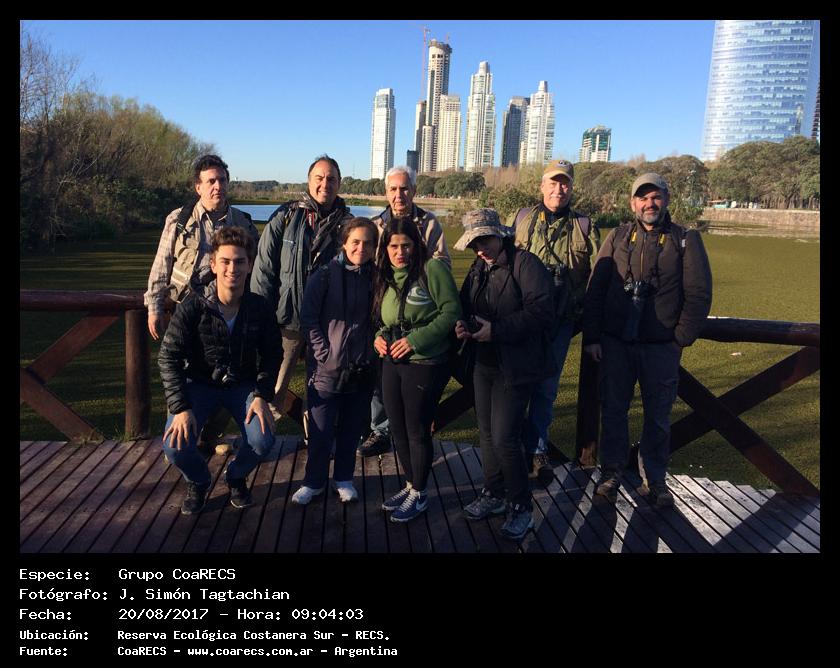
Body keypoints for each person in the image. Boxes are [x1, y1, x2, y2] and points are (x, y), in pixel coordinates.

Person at [583, 173, 712, 508]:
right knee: (614, 411)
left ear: (666, 199)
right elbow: (596, 289)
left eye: (656, 197)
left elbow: (699, 293)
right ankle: (611, 472)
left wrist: (680, 338)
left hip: (660, 347)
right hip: (616, 344)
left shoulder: (685, 239)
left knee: (657, 416)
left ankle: (654, 479)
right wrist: (593, 337)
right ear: (632, 204)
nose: (649, 204)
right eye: (643, 198)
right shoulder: (618, 237)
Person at [158, 227, 281, 515]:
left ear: (249, 265)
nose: (232, 269)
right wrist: (180, 407)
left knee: (263, 439)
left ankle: (236, 476)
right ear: (213, 264)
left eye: (239, 262)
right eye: (225, 261)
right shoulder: (193, 305)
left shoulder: (259, 307)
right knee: (175, 446)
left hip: (242, 385)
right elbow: (168, 356)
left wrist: (262, 395)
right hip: (199, 384)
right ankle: (199, 480)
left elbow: (272, 355)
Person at [145, 154, 259, 452]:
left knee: (226, 373)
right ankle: (180, 439)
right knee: (181, 375)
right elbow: (161, 265)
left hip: (228, 314)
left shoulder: (243, 222)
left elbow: (255, 270)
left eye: (222, 180)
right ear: (198, 187)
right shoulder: (179, 220)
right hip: (184, 312)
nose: (217, 186)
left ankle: (208, 437)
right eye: (210, 181)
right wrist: (154, 306)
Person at [455, 209, 556, 541]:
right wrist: (463, 325)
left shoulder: (525, 264)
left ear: (500, 235)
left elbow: (542, 312)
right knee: (486, 433)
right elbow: (465, 304)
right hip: (484, 362)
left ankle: (521, 506)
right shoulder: (479, 268)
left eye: (485, 240)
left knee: (505, 438)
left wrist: (496, 330)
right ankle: (493, 493)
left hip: (516, 365)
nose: (480, 249)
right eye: (475, 244)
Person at [507, 159, 600, 484]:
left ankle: (537, 450)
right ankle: (511, 449)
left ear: (571, 187)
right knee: (515, 385)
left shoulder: (584, 226)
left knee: (546, 389)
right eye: (553, 182)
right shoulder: (521, 218)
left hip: (560, 323)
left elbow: (598, 277)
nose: (559, 189)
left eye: (565, 183)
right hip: (522, 319)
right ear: (542, 186)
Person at [250, 155, 353, 428]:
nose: (325, 184)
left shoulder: (348, 224)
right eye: (319, 178)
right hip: (287, 321)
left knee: (321, 391)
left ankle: (316, 443)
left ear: (339, 183)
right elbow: (264, 269)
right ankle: (260, 442)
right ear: (309, 181)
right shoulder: (286, 216)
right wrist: (262, 316)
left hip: (328, 325)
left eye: (331, 179)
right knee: (272, 388)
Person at [373, 218, 461, 522]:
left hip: (424, 361)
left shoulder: (431, 269)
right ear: (385, 248)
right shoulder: (386, 275)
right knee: (396, 428)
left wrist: (414, 341)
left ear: (416, 245)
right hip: (392, 361)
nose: (400, 253)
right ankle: (411, 485)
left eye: (406, 245)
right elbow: (383, 318)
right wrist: (378, 337)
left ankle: (420, 493)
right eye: (394, 246)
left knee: (417, 429)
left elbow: (451, 311)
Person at [359, 165, 451, 458]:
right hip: (382, 305)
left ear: (413, 190)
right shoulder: (376, 225)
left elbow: (441, 265)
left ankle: (414, 441)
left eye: (404, 189)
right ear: (385, 192)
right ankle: (380, 430)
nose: (399, 195)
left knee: (415, 399)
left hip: (418, 310)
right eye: (393, 189)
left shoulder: (429, 223)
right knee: (379, 376)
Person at [291, 218, 378, 505]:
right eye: (356, 242)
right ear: (344, 243)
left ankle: (343, 479)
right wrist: (324, 354)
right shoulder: (324, 275)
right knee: (320, 431)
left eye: (368, 243)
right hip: (327, 370)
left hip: (362, 369)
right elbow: (308, 319)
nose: (361, 248)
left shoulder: (378, 278)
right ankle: (313, 482)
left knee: (352, 431)